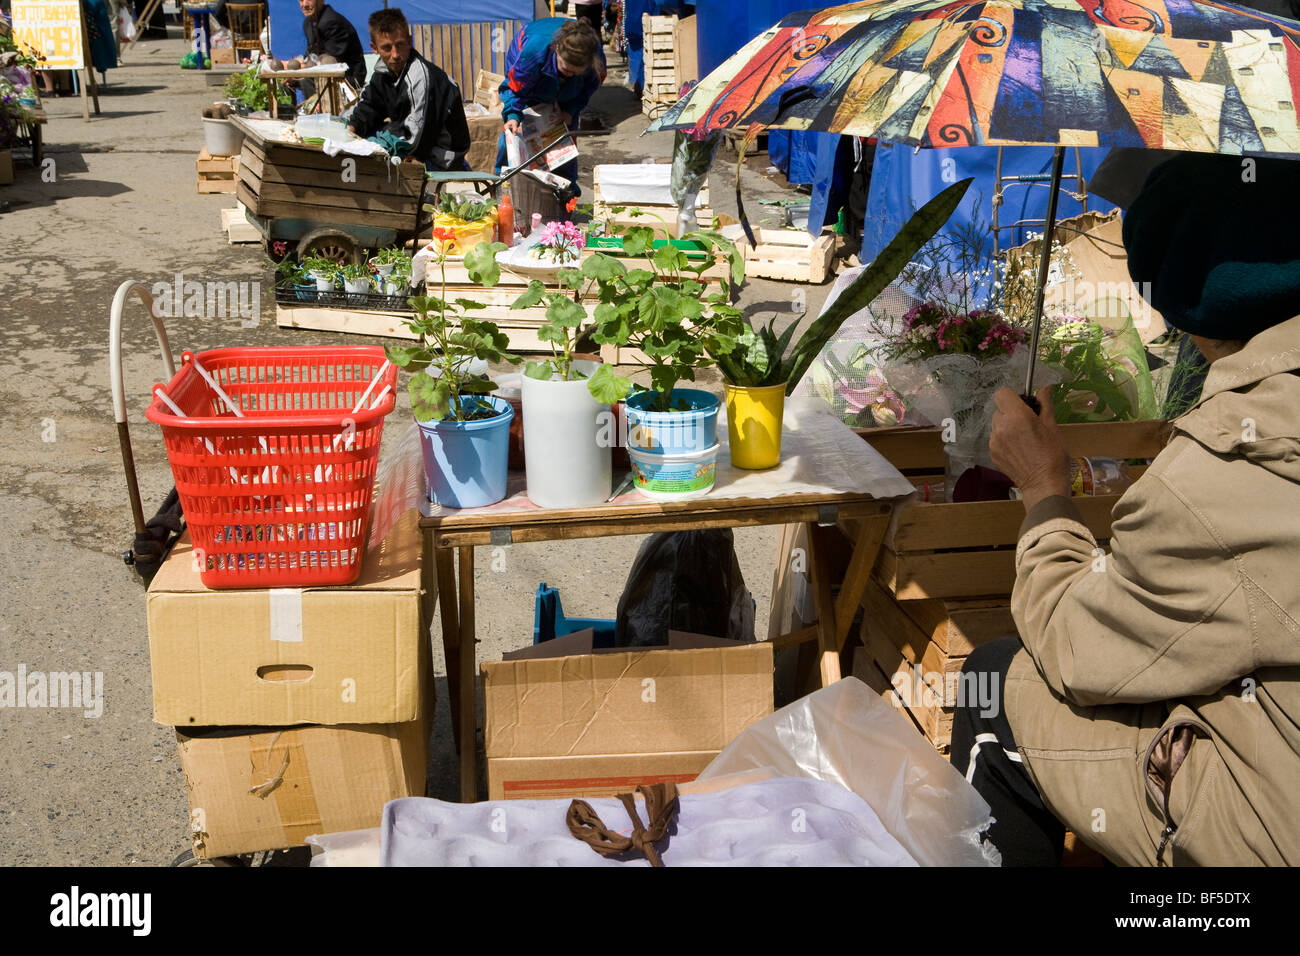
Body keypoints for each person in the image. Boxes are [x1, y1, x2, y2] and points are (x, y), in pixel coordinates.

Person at [950, 152, 1300, 866]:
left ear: (1184, 309)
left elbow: (1080, 649)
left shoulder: (1229, 469)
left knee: (995, 680)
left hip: (1275, 828)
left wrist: (1044, 490)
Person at [346, 8, 470, 172]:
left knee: (374, 163)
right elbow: (368, 107)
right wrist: (350, 132)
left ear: (410, 41)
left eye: (400, 45)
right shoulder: (382, 73)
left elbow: (413, 140)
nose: (395, 54)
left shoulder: (421, 77)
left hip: (441, 159)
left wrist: (373, 146)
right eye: (387, 48)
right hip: (414, 145)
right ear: (374, 48)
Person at [496, 17, 605, 181]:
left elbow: (587, 90)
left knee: (564, 137)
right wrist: (512, 114)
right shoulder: (534, 52)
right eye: (565, 69)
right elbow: (516, 88)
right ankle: (505, 184)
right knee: (515, 131)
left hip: (569, 90)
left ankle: (565, 192)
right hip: (531, 72)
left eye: (576, 73)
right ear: (557, 50)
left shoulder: (596, 61)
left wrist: (571, 110)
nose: (569, 75)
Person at [295, 0, 366, 91]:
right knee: (293, 80)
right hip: (324, 73)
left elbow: (330, 61)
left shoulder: (332, 22)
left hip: (347, 78)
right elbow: (311, 54)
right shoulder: (308, 23)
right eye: (301, 0)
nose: (304, 5)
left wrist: (302, 67)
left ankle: (318, 105)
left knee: (306, 80)